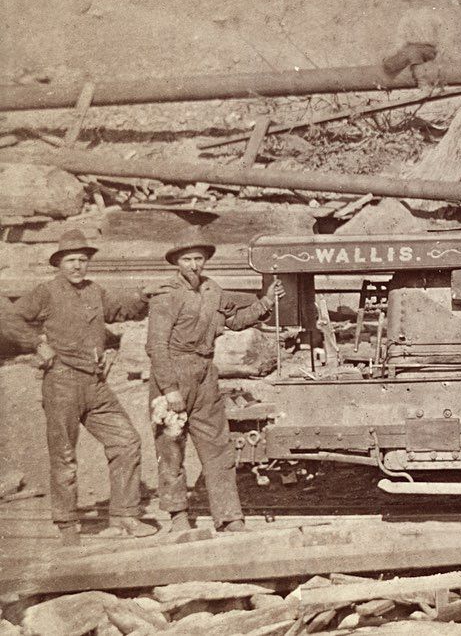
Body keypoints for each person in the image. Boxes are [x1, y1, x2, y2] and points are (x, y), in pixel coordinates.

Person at [5, 231, 157, 544]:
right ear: (59, 263)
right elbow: (8, 318)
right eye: (71, 260)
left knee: (126, 441)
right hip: (61, 381)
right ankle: (67, 526)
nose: (77, 266)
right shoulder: (45, 293)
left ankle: (125, 516)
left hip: (95, 383)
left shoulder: (95, 291)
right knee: (64, 455)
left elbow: (120, 311)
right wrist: (37, 344)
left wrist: (142, 296)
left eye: (82, 260)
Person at [148, 230, 284, 533]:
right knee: (171, 448)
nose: (194, 265)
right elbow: (156, 346)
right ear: (176, 263)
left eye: (199, 258)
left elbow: (234, 321)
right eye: (187, 259)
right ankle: (178, 516)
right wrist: (170, 390)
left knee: (218, 445)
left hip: (206, 372)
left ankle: (229, 517)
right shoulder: (166, 295)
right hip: (173, 372)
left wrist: (265, 303)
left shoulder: (212, 290)